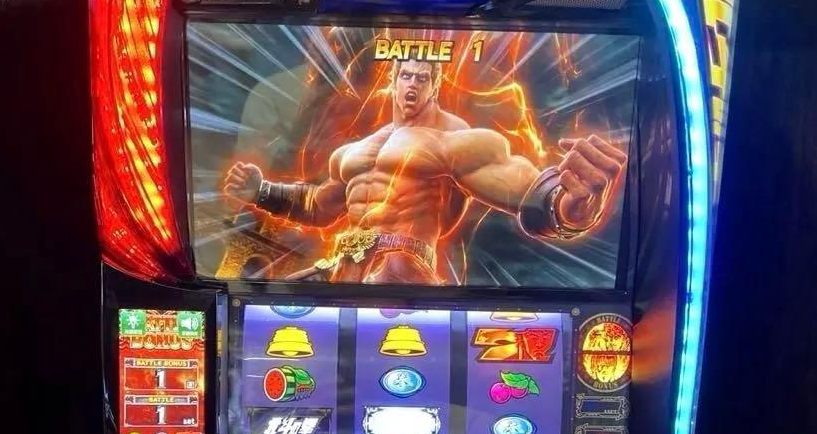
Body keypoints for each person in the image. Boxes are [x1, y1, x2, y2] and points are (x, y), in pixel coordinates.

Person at [222, 57, 627, 284]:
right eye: (405, 76)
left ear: (435, 85)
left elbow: (517, 181)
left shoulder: (452, 140)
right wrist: (263, 191)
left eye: (422, 77)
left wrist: (565, 205)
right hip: (345, 267)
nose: (412, 84)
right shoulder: (355, 150)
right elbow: (319, 205)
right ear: (393, 81)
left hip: (401, 269)